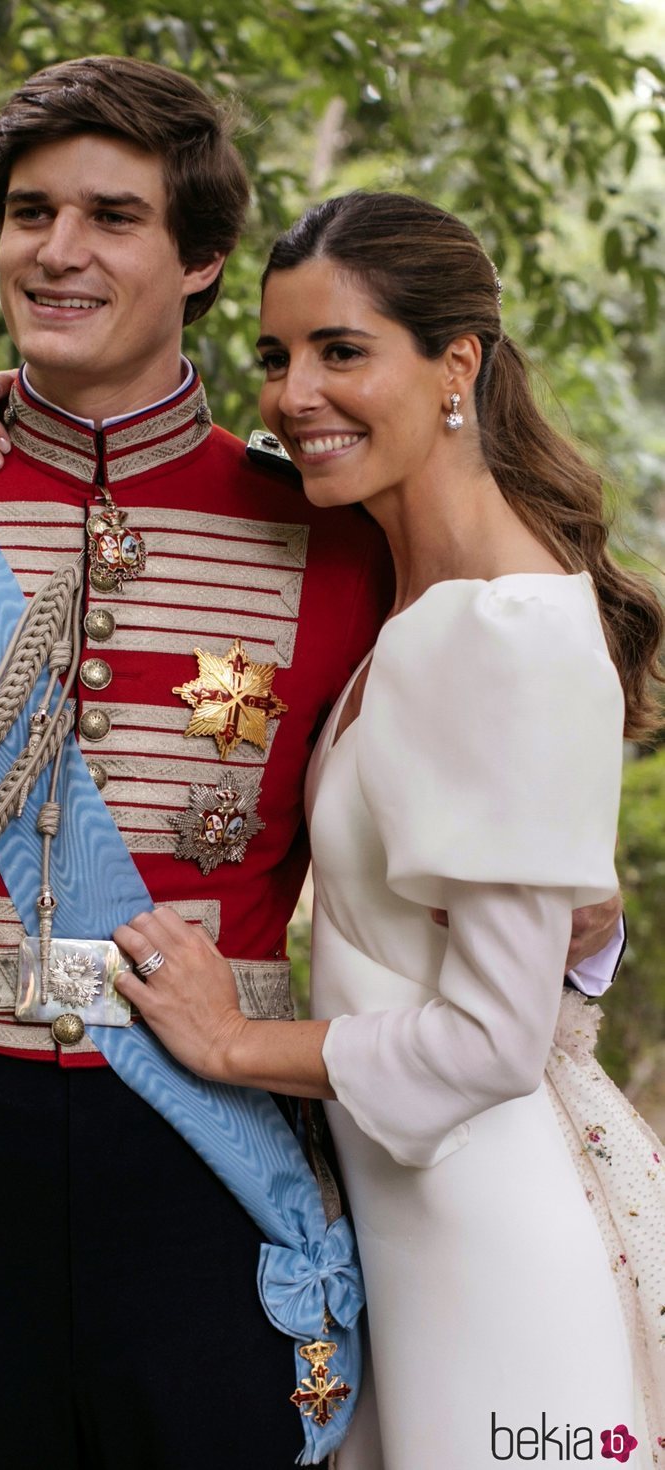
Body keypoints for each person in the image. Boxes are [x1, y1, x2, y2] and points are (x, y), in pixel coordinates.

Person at [0, 55, 622, 1470]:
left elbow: (491, 763)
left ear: (200, 262)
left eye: (111, 216)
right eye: (29, 211)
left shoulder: (334, 536)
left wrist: (573, 930)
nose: (58, 250)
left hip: (214, 1176)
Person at [100, 192, 665, 1468]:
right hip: (401, 1225)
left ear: (454, 363)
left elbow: (491, 1039)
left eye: (341, 351)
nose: (295, 393)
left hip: (487, 1254)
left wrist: (236, 1042)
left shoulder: (501, 626)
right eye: (275, 355)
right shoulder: (402, 585)